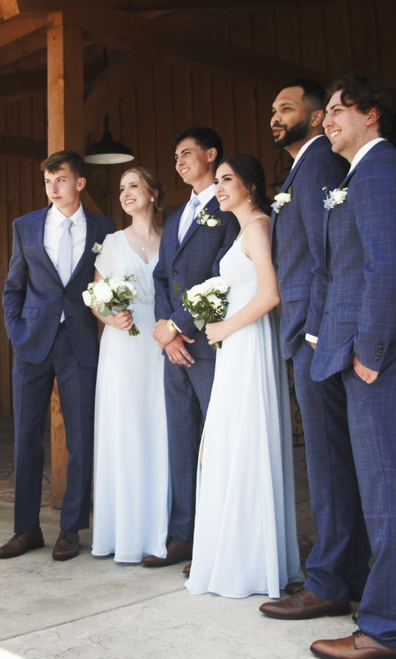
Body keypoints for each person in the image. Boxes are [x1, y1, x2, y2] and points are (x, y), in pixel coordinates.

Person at [308, 73, 396, 659]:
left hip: (384, 360)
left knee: (390, 494)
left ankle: (387, 630)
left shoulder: (380, 172)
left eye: (339, 109)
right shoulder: (370, 174)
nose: (327, 119)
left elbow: (386, 270)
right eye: (327, 111)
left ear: (373, 115)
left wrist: (368, 352)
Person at [259, 80, 371, 619]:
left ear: (315, 114)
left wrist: (314, 330)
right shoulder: (301, 167)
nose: (276, 117)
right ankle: (345, 572)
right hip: (308, 330)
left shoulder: (323, 162)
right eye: (274, 111)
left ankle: (327, 582)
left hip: (316, 333)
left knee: (328, 461)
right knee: (331, 459)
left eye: (287, 108)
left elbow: (331, 252)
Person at [184, 154, 302, 599]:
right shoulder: (242, 229)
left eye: (227, 179)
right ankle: (236, 553)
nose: (219, 187)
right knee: (230, 446)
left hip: (248, 346)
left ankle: (251, 562)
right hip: (236, 346)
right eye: (216, 181)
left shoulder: (257, 226)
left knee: (245, 445)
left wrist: (224, 327)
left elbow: (271, 295)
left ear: (250, 185)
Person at [0, 149, 116, 561]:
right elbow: (13, 285)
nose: (53, 187)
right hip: (32, 340)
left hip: (80, 340)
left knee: (81, 437)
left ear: (80, 183)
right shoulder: (25, 226)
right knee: (27, 436)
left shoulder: (105, 229)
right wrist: (17, 330)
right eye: (48, 180)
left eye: (60, 179)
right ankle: (26, 528)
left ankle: (71, 527)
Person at [146, 126, 239, 568]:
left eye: (187, 153)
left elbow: (223, 274)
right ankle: (182, 535)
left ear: (211, 155)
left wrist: (182, 325)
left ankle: (216, 538)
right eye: (176, 156)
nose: (180, 162)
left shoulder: (227, 210)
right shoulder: (177, 216)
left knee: (216, 441)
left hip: (208, 343)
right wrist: (166, 330)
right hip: (174, 349)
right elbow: (161, 275)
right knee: (180, 438)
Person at [90, 166, 170, 563]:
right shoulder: (112, 242)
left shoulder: (171, 240)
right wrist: (110, 318)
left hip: (161, 347)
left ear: (153, 193)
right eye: (122, 188)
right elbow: (95, 296)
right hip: (123, 348)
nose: (125, 193)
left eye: (133, 186)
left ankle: (162, 529)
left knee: (159, 428)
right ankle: (123, 532)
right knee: (125, 430)